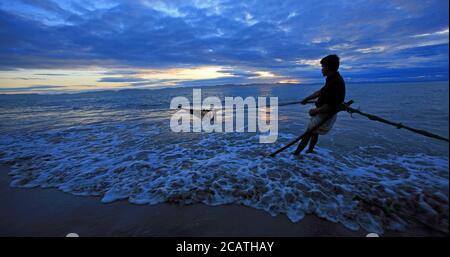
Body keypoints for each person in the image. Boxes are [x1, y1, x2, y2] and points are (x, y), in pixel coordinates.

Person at [294, 54, 346, 155]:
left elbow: (330, 105)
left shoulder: (335, 82)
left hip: (325, 114)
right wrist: (306, 99)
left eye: (323, 67)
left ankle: (296, 155)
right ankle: (310, 151)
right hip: (324, 112)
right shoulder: (332, 79)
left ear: (328, 67)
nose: (321, 69)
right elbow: (320, 92)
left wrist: (314, 111)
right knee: (314, 134)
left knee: (307, 134)